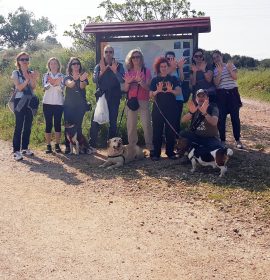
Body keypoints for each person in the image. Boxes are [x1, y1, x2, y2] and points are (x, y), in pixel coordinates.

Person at [89, 45, 125, 153]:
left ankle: (111, 147)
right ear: (103, 53)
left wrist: (114, 71)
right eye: (106, 52)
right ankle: (92, 146)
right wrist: (102, 71)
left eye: (110, 52)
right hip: (102, 97)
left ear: (113, 54)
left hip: (114, 97)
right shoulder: (98, 66)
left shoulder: (119, 65)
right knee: (95, 121)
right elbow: (94, 80)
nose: (108, 54)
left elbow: (122, 80)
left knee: (113, 123)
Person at [149, 57, 181, 161]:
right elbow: (150, 95)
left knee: (170, 132)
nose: (163, 68)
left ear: (168, 67)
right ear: (158, 67)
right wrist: (157, 91)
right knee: (157, 131)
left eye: (165, 66)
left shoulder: (173, 79)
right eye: (161, 66)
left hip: (171, 109)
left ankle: (170, 152)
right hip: (158, 110)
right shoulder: (155, 80)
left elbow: (179, 92)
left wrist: (171, 90)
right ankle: (156, 153)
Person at [123, 49, 153, 153]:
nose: (136, 59)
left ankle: (150, 147)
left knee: (146, 124)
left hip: (144, 100)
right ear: (130, 59)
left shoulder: (146, 71)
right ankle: (132, 148)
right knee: (131, 125)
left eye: (138, 57)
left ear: (141, 58)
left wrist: (141, 81)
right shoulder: (128, 71)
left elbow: (148, 88)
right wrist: (128, 82)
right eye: (133, 57)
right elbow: (126, 89)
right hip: (132, 101)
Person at [11, 52, 39, 161]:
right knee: (19, 126)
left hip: (30, 101)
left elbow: (33, 87)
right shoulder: (16, 73)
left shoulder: (30, 72)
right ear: (18, 61)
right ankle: (16, 150)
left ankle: (25, 147)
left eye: (27, 59)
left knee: (28, 125)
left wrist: (33, 78)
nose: (25, 61)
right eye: (22, 59)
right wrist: (28, 79)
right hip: (20, 101)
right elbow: (19, 87)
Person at [212, 50, 243, 149]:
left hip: (233, 93)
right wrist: (220, 73)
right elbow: (216, 84)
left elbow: (235, 77)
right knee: (221, 119)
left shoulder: (230, 65)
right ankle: (222, 140)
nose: (216, 59)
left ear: (221, 56)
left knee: (235, 118)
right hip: (221, 95)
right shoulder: (215, 70)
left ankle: (237, 140)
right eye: (214, 58)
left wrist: (229, 69)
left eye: (217, 56)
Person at [180, 89, 223, 153]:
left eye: (203, 96)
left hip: (210, 138)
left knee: (218, 149)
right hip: (196, 137)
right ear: (196, 98)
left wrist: (205, 113)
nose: (201, 98)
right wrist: (191, 113)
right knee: (182, 134)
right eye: (199, 96)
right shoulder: (195, 108)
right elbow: (183, 120)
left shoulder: (213, 108)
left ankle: (198, 150)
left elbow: (214, 122)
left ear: (207, 98)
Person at [63, 57, 89, 154]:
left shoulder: (84, 76)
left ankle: (81, 147)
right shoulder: (67, 77)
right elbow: (69, 85)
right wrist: (75, 79)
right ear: (70, 66)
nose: (76, 65)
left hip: (80, 106)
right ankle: (68, 147)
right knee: (67, 126)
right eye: (73, 64)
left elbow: (82, 87)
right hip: (68, 106)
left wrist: (81, 80)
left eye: (77, 63)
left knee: (78, 126)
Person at [42, 57, 65, 153]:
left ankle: (57, 145)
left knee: (57, 124)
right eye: (51, 63)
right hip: (47, 103)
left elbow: (62, 89)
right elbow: (45, 87)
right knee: (48, 124)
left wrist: (56, 84)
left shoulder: (62, 76)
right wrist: (53, 83)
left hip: (58, 103)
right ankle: (48, 145)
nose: (53, 65)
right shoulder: (46, 75)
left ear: (58, 65)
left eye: (55, 63)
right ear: (49, 65)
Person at [165, 51, 185, 134]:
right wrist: (171, 68)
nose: (170, 60)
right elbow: (165, 78)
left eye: (172, 58)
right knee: (168, 121)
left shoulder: (177, 69)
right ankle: (167, 139)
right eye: (168, 58)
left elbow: (182, 79)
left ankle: (177, 140)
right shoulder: (163, 68)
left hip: (178, 98)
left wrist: (180, 68)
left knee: (177, 120)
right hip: (167, 99)